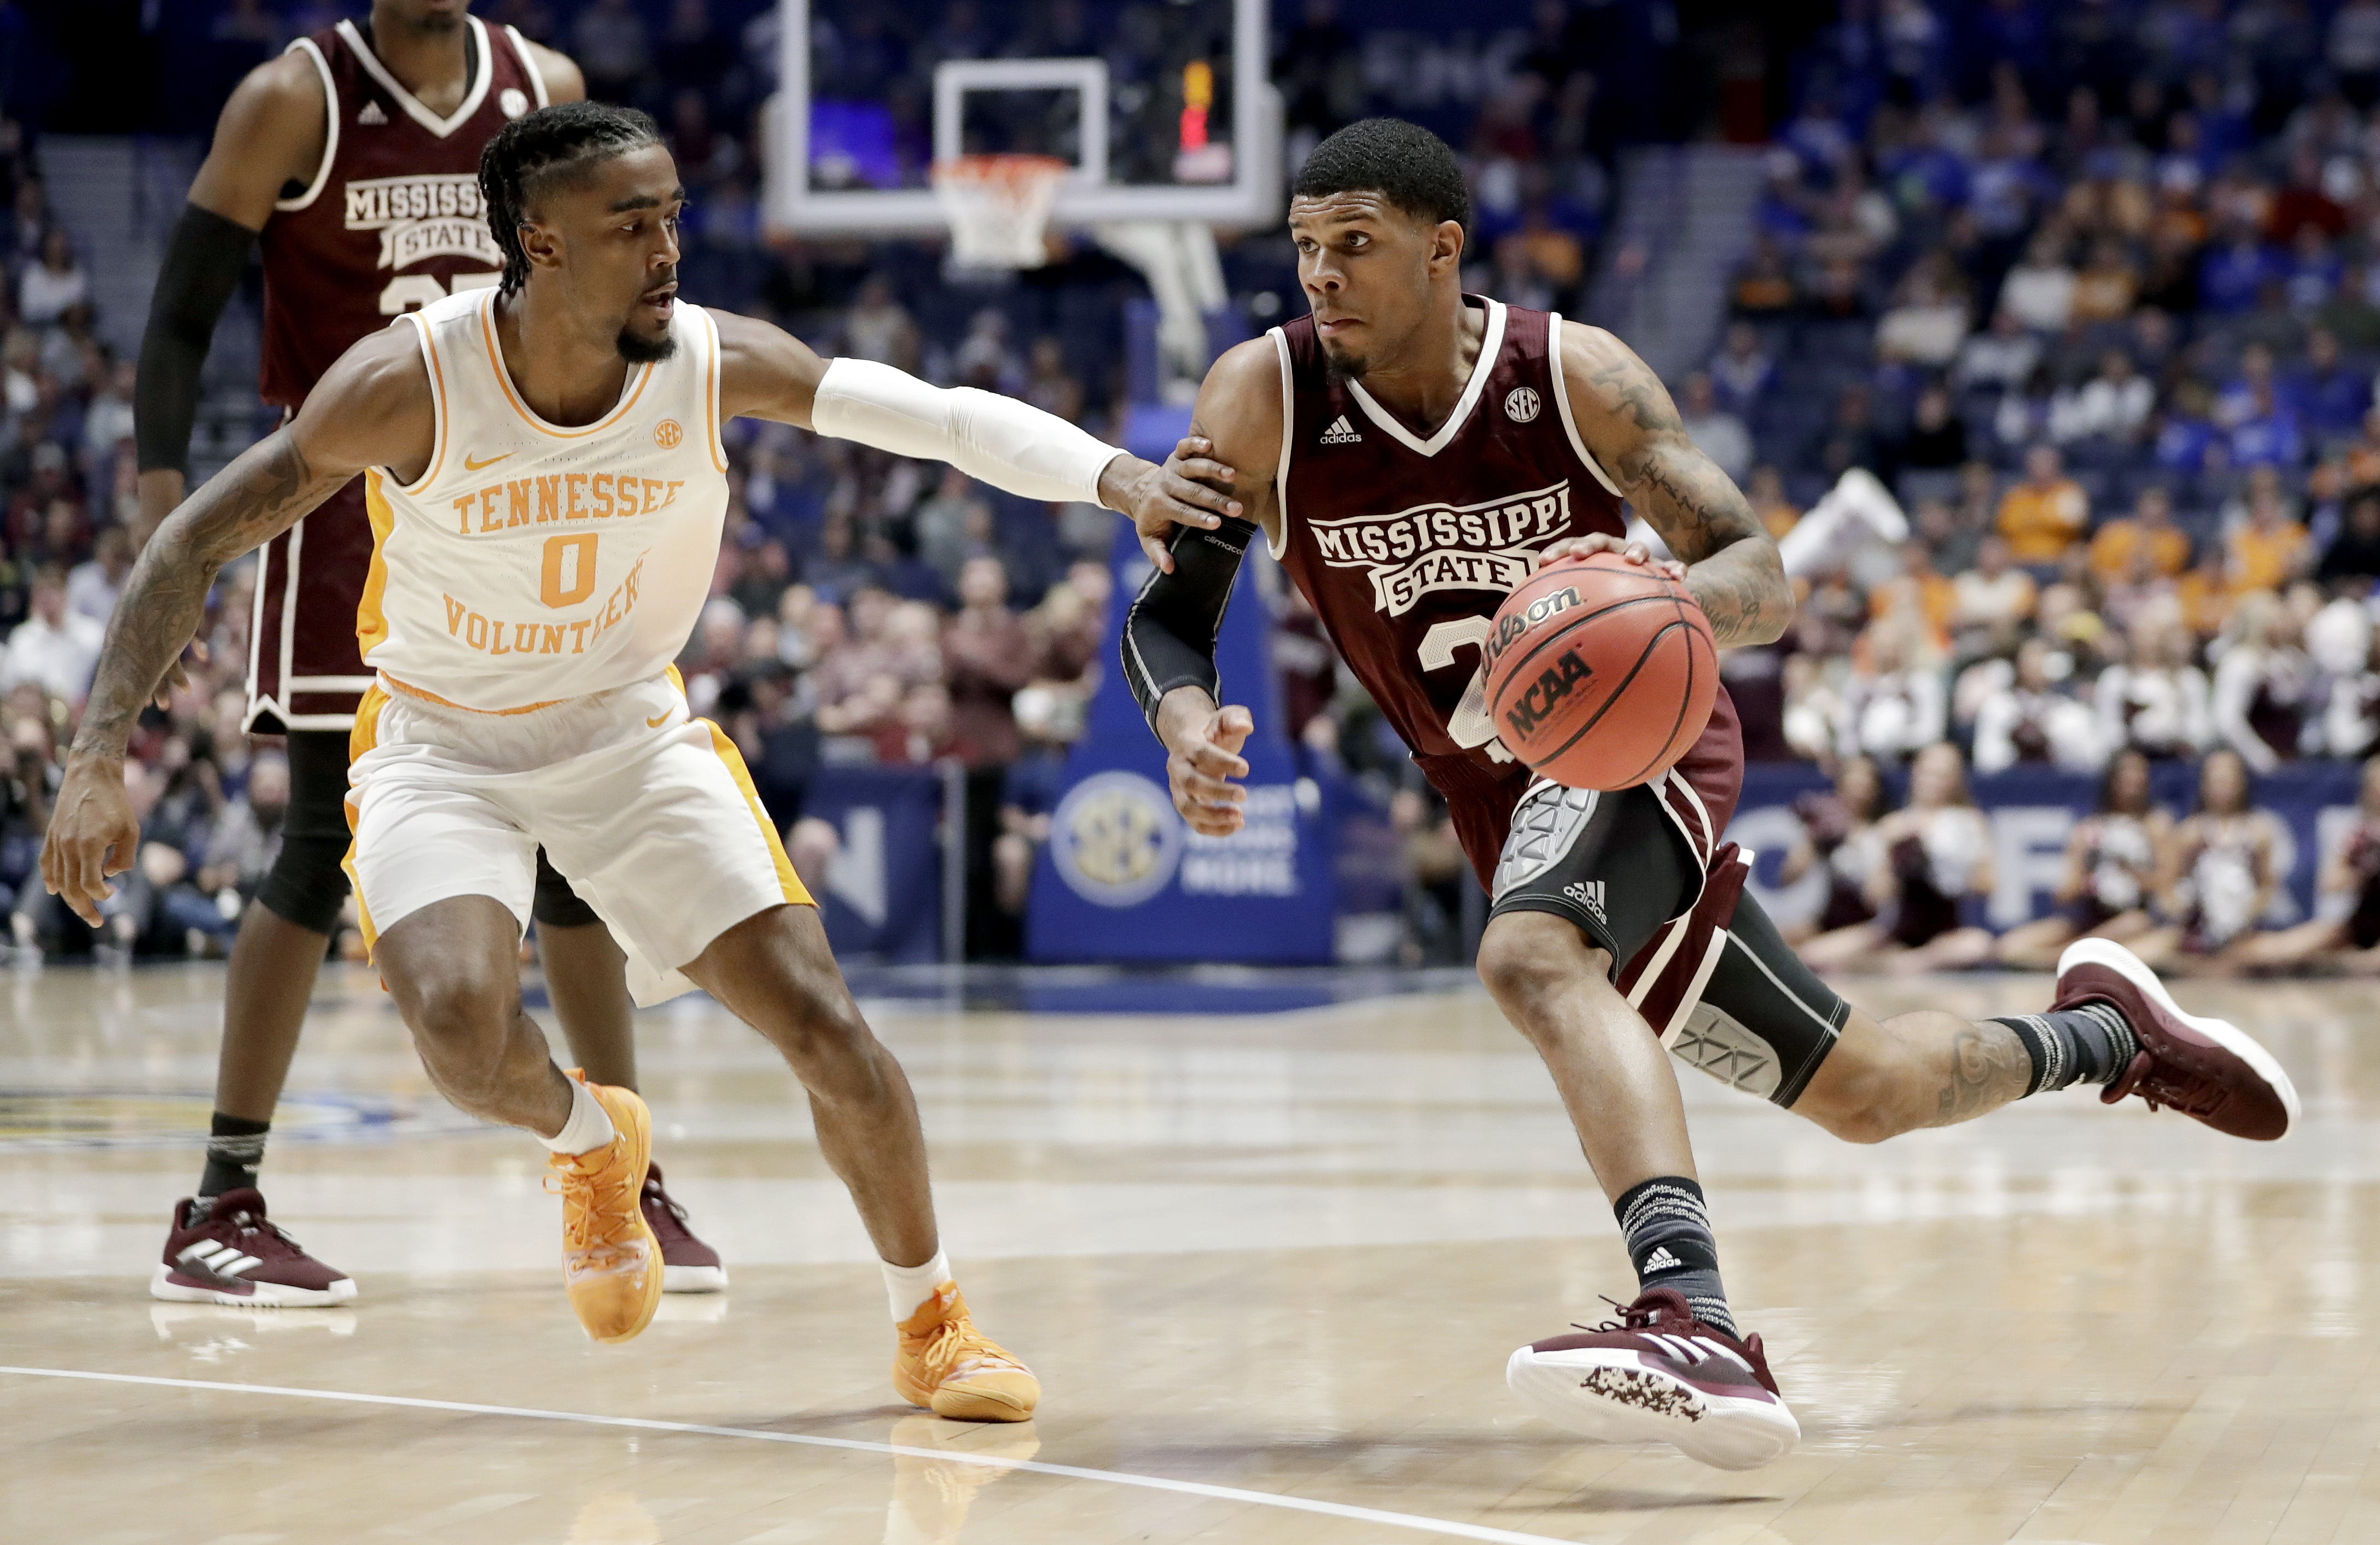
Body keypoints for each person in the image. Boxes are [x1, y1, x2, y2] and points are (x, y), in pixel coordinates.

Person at [1125, 118, 2298, 1472]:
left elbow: (1761, 569)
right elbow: (1174, 617)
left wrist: (1651, 606)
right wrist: (1186, 714)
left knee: (1524, 954)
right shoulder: (1260, 398)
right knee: (1861, 1091)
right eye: (1304, 248)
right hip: (1496, 805)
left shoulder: (1573, 377)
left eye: (1353, 247)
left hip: (1639, 743)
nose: (1318, 275)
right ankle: (2107, 1034)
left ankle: (1691, 1318)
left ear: (1441, 251)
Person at [45, 101, 1230, 1407]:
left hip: (626, 726)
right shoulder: (409, 381)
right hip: (441, 743)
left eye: (671, 214)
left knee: (828, 1026)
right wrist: (100, 750)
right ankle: (588, 1139)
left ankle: (932, 1321)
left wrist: (1116, 478)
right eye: (633, 223)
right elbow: (191, 544)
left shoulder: (709, 361)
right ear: (540, 243)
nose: (669, 246)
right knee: (453, 1021)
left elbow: (937, 416)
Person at [126, 0, 742, 1306]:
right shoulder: (295, 98)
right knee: (312, 847)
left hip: (520, 491)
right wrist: (164, 502)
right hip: (348, 499)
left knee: (572, 844)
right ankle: (222, 1193)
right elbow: (183, 311)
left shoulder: (546, 83)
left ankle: (621, 1173)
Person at [1799, 742, 1998, 974]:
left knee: (1979, 945)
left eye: (1942, 774)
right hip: (1893, 936)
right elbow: (1875, 895)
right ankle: (1894, 963)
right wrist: (1895, 865)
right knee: (1813, 955)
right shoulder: (1893, 826)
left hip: (1943, 936)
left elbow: (1988, 884)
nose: (1932, 781)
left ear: (1956, 780)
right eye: (1927, 772)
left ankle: (1913, 963)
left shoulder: (1970, 823)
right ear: (1915, 774)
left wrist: (1943, 868)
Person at [1997, 748, 2173, 970]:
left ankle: (2062, 958)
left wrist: (2131, 874)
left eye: (2138, 774)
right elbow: (2065, 893)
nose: (2132, 781)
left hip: (2135, 919)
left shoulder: (2156, 826)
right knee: (2011, 947)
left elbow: (2169, 889)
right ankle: (2075, 956)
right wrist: (2087, 880)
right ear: (2112, 780)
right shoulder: (2090, 829)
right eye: (2125, 774)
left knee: (2138, 927)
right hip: (2091, 917)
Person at [2139, 748, 2290, 973]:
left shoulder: (2259, 832)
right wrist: (2187, 907)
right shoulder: (2189, 833)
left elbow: (2268, 887)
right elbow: (2168, 888)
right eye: (2216, 780)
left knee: (2281, 949)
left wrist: (2245, 913)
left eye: (2230, 780)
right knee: (2150, 950)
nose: (2223, 787)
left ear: (2243, 783)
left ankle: (2224, 964)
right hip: (2196, 932)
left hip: (2244, 933)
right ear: (2204, 785)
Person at [2239, 756, 2380, 975]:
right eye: (2376, 788)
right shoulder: (2357, 831)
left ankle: (2343, 963)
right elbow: (2331, 884)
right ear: (2367, 790)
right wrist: (2362, 871)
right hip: (2358, 923)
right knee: (2278, 949)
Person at [1773, 754, 1887, 946]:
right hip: (1828, 919)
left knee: (1814, 955)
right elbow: (1787, 877)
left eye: (1864, 786)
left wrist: (1864, 847)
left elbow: (1878, 897)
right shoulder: (1827, 829)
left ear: (1875, 791)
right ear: (1840, 787)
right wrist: (1813, 840)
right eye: (1852, 785)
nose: (1857, 793)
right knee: (1775, 941)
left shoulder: (1883, 830)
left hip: (1869, 924)